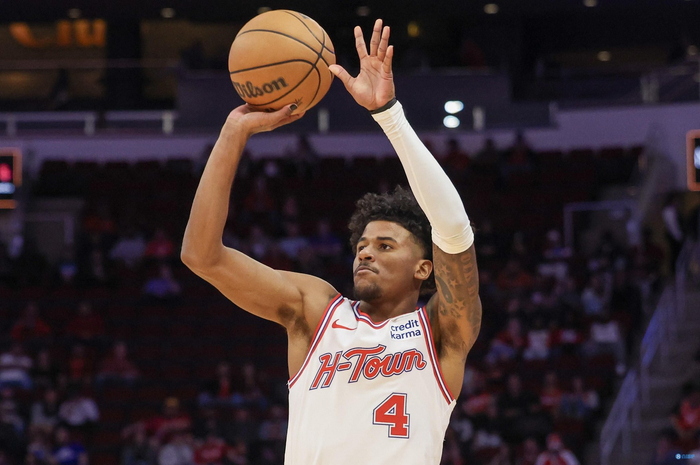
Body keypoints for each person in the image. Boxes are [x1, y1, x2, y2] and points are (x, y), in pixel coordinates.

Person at [181, 18, 482, 465]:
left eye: (385, 246)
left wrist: (388, 115)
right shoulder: (317, 311)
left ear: (424, 268)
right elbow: (201, 256)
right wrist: (233, 133)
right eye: (362, 245)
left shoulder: (441, 331)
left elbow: (454, 229)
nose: (366, 252)